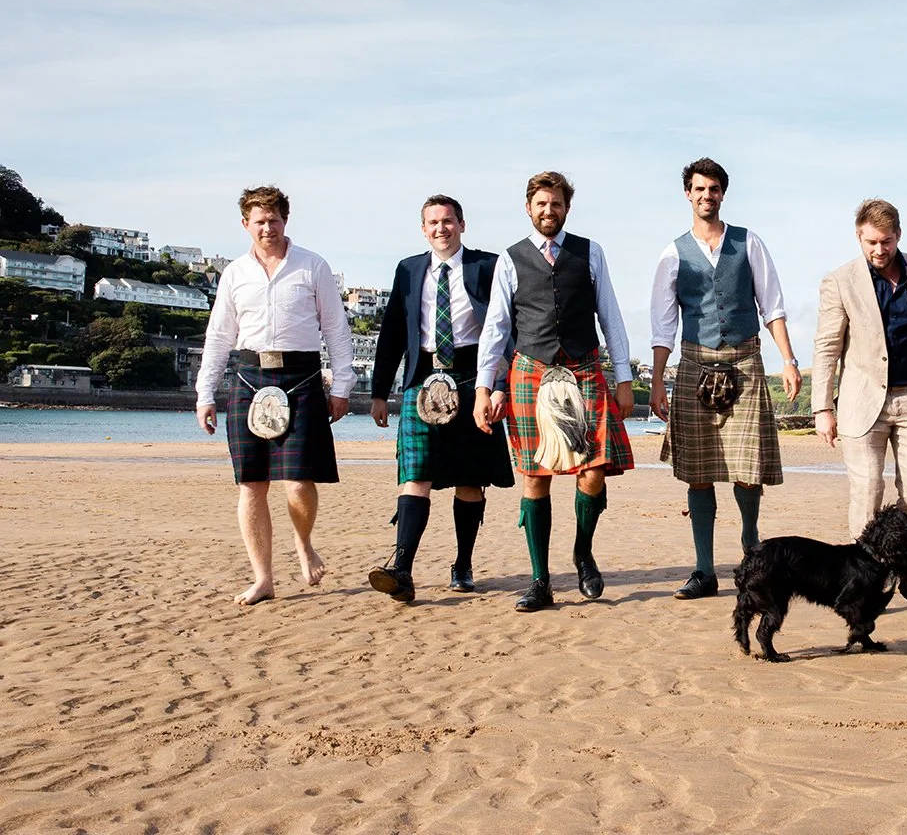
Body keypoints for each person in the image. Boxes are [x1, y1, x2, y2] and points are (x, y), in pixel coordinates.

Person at [473, 172, 635, 612]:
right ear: (528, 208)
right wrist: (484, 388)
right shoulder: (511, 259)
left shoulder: (590, 252)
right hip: (531, 371)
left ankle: (583, 552)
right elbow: (496, 328)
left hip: (584, 368)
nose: (549, 210)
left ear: (567, 208)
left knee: (593, 471)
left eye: (556, 204)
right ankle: (540, 580)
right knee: (535, 476)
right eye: (541, 204)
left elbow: (611, 317)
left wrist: (624, 379)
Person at [648, 158, 803, 600]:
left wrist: (789, 359)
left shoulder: (748, 242)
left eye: (713, 189)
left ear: (722, 194)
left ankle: (751, 547)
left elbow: (772, 306)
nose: (706, 195)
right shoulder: (672, 253)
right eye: (699, 188)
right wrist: (656, 381)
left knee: (748, 470)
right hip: (695, 364)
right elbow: (663, 326)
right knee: (698, 473)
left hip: (745, 362)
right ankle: (704, 571)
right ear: (688, 194)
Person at [195, 186, 355, 605]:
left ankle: (303, 542)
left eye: (274, 220)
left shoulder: (312, 266)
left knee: (298, 482)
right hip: (248, 378)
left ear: (286, 221)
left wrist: (342, 387)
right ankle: (263, 578)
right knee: (251, 485)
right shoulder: (234, 273)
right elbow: (219, 337)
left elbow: (336, 329)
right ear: (245, 224)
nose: (267, 228)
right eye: (259, 221)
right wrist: (205, 393)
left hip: (302, 377)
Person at [366, 195, 516, 604]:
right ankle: (402, 569)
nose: (441, 229)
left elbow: (509, 327)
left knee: (470, 479)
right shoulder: (409, 270)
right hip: (422, 380)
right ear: (423, 229)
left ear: (462, 225)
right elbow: (392, 333)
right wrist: (379, 393)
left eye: (448, 221)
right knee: (415, 474)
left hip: (474, 378)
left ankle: (463, 565)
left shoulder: (488, 266)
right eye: (432, 222)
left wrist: (500, 384)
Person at [811, 198, 907, 603]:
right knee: (867, 488)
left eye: (887, 241)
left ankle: (905, 563)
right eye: (871, 242)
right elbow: (827, 347)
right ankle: (866, 579)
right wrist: (822, 407)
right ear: (859, 237)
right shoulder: (839, 281)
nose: (879, 250)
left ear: (898, 236)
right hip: (861, 401)